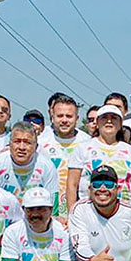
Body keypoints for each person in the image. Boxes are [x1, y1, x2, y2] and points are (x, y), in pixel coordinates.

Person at [66, 104, 131, 214]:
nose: (109, 121)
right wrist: (71, 214)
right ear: (97, 123)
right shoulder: (82, 148)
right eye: (104, 118)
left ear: (120, 124)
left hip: (124, 214)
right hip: (89, 213)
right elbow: (72, 185)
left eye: (114, 118)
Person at [38, 93, 91, 221]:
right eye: (60, 116)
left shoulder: (88, 142)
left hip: (81, 213)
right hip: (48, 213)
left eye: (69, 116)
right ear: (52, 118)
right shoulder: (40, 143)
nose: (64, 120)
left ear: (77, 118)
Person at [0, 121, 60, 205]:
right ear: (10, 144)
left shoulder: (47, 167)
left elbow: (53, 204)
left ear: (36, 146)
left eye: (27, 142)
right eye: (17, 141)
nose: (21, 147)